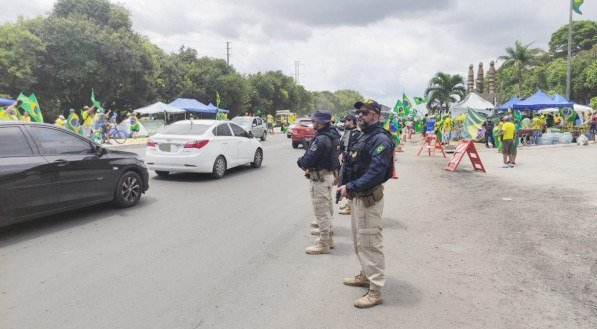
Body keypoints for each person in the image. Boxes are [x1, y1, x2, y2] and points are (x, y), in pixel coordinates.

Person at [337, 99, 393, 308]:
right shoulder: (364, 136)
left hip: (369, 199)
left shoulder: (380, 139)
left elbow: (375, 174)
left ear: (376, 115)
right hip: (358, 199)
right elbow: (356, 165)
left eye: (364, 112)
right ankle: (366, 274)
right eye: (358, 112)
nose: (359, 115)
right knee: (359, 242)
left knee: (370, 244)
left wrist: (349, 187)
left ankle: (375, 290)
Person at [297, 110, 340, 255]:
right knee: (326, 209)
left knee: (321, 211)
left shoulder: (321, 139)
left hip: (321, 179)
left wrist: (301, 162)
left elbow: (306, 160)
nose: (312, 123)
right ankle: (328, 240)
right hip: (328, 176)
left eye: (314, 121)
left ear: (321, 123)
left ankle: (324, 244)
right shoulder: (332, 135)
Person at [337, 114, 361, 216]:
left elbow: (354, 150)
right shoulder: (347, 132)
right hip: (345, 162)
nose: (344, 123)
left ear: (351, 121)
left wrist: (345, 155)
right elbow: (342, 146)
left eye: (346, 121)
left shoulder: (357, 134)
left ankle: (351, 207)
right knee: (344, 182)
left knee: (350, 184)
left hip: (351, 163)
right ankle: (349, 203)